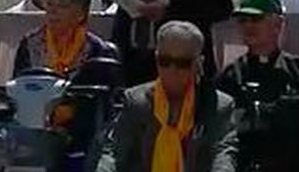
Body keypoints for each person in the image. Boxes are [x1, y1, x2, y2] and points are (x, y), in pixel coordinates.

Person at [214, 0, 299, 172]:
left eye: (256, 20)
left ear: (278, 24)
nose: (248, 26)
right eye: (243, 20)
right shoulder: (229, 78)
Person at [101, 20, 238, 172]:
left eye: (183, 63)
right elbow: (113, 151)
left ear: (199, 63)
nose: (172, 70)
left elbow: (224, 154)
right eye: (164, 61)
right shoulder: (136, 101)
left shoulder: (218, 106)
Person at [12, 0, 117, 77]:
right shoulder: (30, 44)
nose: (53, 11)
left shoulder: (98, 50)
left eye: (62, 5)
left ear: (81, 13)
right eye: (49, 4)